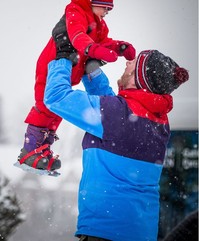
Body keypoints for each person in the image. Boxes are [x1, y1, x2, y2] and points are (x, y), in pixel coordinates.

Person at [44, 43, 189, 240]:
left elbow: (56, 96)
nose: (129, 61)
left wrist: (61, 59)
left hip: (105, 232)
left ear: (138, 80)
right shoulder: (158, 122)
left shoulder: (117, 115)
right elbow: (115, 111)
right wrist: (91, 72)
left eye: (134, 63)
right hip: (139, 232)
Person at [17, 0, 136, 172]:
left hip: (71, 71)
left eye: (109, 9)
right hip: (53, 67)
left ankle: (43, 147)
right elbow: (78, 37)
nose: (106, 13)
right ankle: (29, 150)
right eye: (104, 7)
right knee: (44, 107)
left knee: (57, 111)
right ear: (88, 0)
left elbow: (102, 41)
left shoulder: (99, 24)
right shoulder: (75, 12)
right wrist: (95, 49)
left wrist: (118, 47)